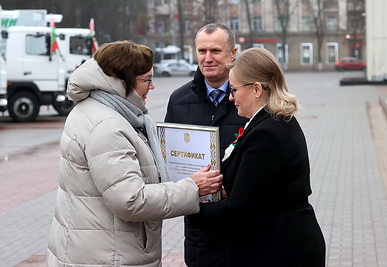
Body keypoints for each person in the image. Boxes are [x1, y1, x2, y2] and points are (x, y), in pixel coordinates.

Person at [47, 40, 223, 267]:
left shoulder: (98, 109)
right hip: (109, 255)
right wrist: (193, 188)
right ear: (122, 81)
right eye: (147, 80)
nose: (152, 87)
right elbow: (130, 200)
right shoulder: (108, 126)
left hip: (98, 249)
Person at [188, 47, 326, 266]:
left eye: (233, 89)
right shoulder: (271, 122)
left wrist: (192, 209)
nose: (231, 97)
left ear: (256, 89)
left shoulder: (267, 133)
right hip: (277, 242)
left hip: (279, 249)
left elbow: (240, 206)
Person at [164, 23, 248, 267]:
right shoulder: (179, 100)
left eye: (215, 51)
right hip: (200, 230)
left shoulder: (251, 97)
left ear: (233, 54)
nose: (208, 58)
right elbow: (169, 159)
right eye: (202, 51)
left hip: (244, 228)